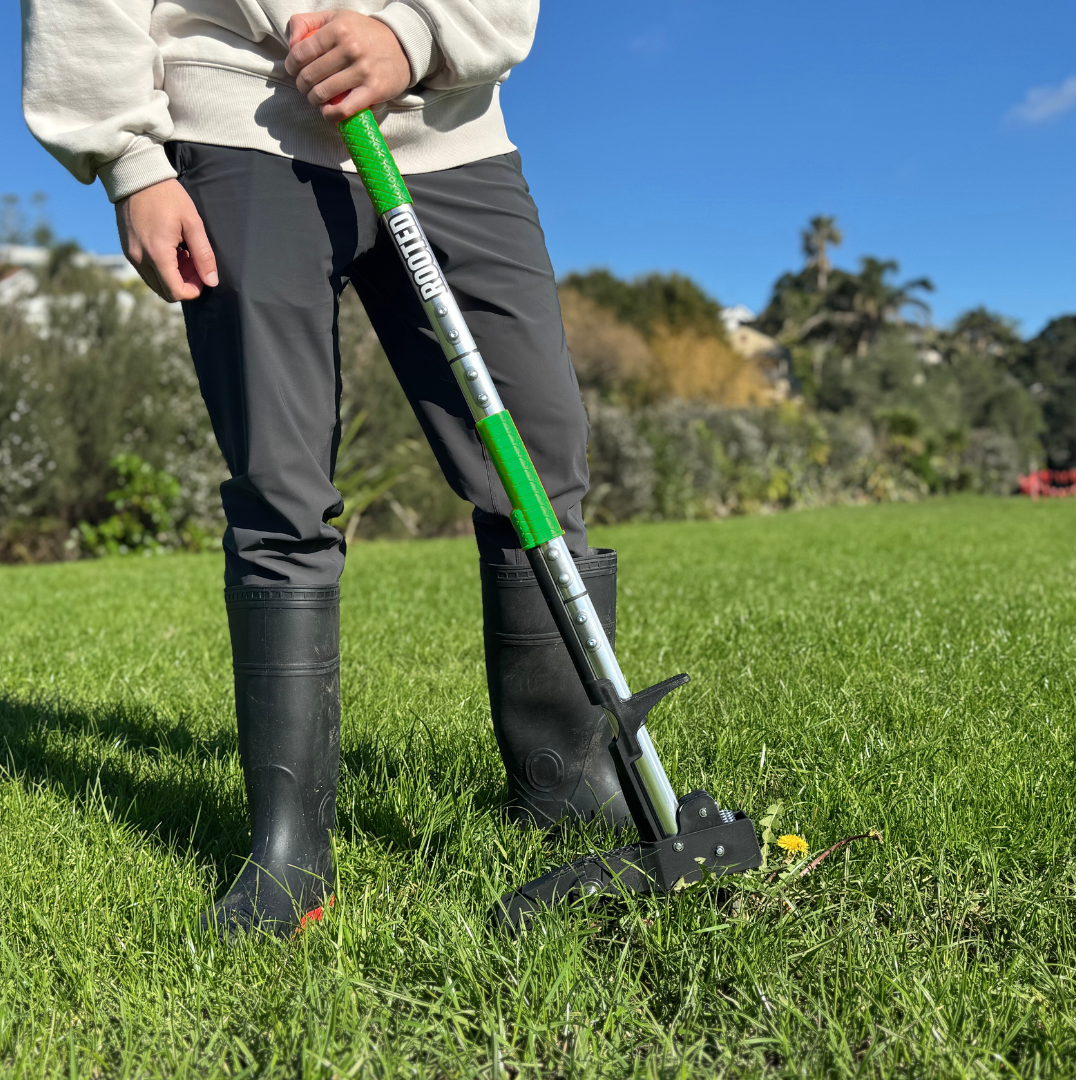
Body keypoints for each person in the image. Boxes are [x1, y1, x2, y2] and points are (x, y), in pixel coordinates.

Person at [22, 0, 628, 936]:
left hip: (449, 132)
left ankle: (570, 787)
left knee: (537, 466)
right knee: (280, 488)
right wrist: (132, 163)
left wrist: (417, 35)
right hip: (241, 122)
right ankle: (289, 852)